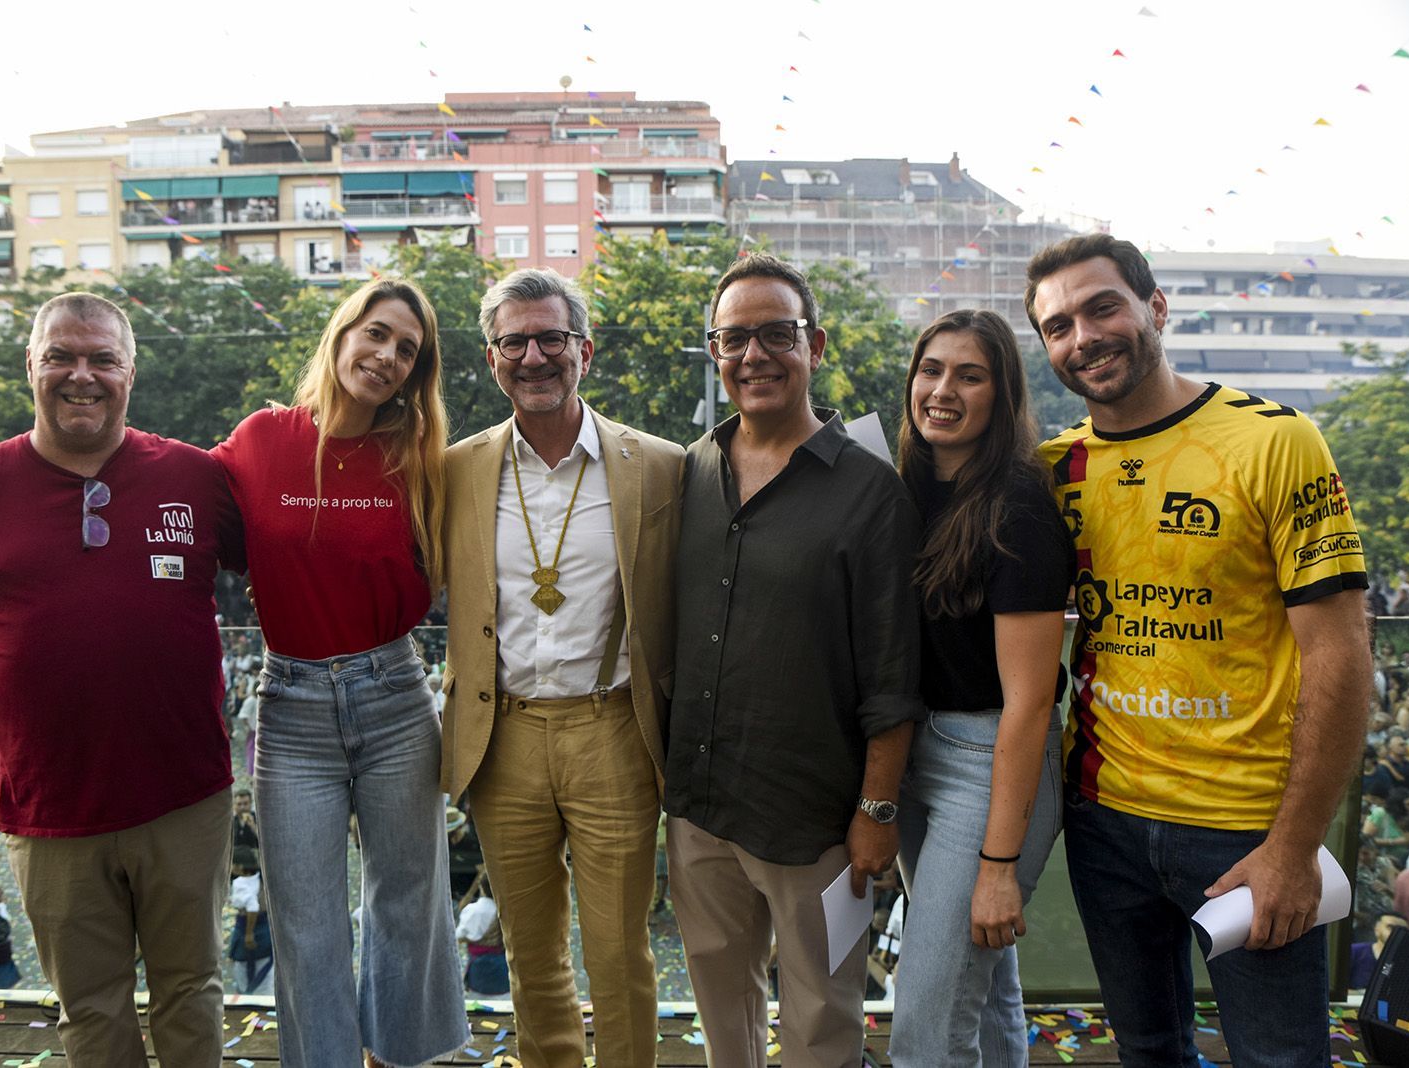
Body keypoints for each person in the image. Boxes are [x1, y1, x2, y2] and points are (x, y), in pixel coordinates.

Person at [1030, 233, 1371, 1066]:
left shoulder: (1275, 441)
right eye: (1058, 326)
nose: (1084, 337)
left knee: (1280, 1058)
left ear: (1155, 307)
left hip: (1248, 826)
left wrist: (1294, 846)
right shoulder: (1054, 469)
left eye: (1102, 308)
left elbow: (1340, 653)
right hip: (1103, 818)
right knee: (1149, 1051)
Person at [0, 291, 245, 1067]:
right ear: (31, 366)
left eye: (102, 359)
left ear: (130, 372)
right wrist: (13, 684)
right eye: (61, 357)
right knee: (91, 1008)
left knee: (191, 991)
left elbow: (288, 561)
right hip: (50, 807)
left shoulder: (196, 476)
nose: (82, 375)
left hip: (186, 797)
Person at [666, 253, 922, 1067]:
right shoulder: (690, 471)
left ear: (815, 344)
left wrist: (877, 812)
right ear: (715, 352)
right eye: (734, 338)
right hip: (701, 807)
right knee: (722, 1012)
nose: (755, 355)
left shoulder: (870, 490)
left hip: (819, 822)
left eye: (777, 333)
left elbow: (894, 675)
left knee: (822, 1021)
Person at [213, 278, 467, 1068]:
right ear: (342, 332)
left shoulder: (421, 458)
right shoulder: (260, 440)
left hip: (395, 697)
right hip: (290, 708)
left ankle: (398, 1057)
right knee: (306, 919)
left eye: (408, 351)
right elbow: (180, 518)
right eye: (377, 334)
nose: (388, 357)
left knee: (408, 904)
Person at [440, 267, 682, 1067]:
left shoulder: (659, 465)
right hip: (500, 734)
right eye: (514, 343)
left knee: (618, 953)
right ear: (491, 358)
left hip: (612, 730)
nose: (534, 357)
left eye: (551, 339)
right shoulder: (456, 470)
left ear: (586, 349)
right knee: (530, 956)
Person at [888, 310, 1073, 1064]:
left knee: (927, 1032)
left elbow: (1030, 704)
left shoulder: (1017, 508)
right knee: (983, 989)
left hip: (987, 761)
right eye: (931, 370)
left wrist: (999, 866)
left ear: (1002, 394)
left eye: (970, 376)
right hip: (913, 753)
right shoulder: (904, 488)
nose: (942, 391)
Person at [228, 847, 274, 996]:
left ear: (240, 866)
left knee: (246, 972)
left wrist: (248, 933)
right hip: (264, 931)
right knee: (264, 970)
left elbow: (252, 907)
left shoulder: (242, 883)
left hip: (250, 930)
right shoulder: (261, 880)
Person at [454, 876, 510, 997]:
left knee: (478, 1001)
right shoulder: (505, 911)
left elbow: (459, 935)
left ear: (481, 888)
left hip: (478, 965)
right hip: (502, 964)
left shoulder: (472, 910)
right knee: (503, 1000)